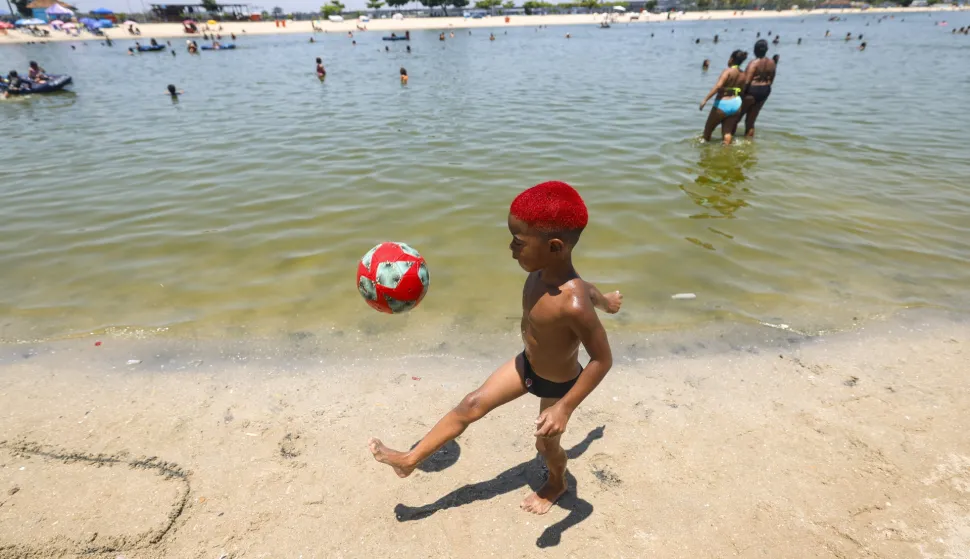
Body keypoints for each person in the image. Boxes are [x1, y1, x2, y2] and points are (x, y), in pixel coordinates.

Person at [369, 181, 621, 515]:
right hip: (527, 366)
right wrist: (609, 303)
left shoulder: (573, 304)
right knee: (471, 404)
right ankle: (409, 461)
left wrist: (564, 408)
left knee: (546, 446)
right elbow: (592, 292)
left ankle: (557, 483)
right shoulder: (542, 274)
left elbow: (602, 360)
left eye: (519, 242)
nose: (511, 248)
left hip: (558, 384)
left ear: (555, 247)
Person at [699, 49, 749, 145]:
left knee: (708, 130)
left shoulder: (728, 71)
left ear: (731, 59)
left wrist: (705, 100)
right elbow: (742, 91)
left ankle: (704, 154)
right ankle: (726, 153)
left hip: (723, 104)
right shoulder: (743, 74)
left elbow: (718, 86)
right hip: (736, 104)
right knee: (727, 133)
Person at [741, 39, 775, 139]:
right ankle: (748, 143)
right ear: (766, 50)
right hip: (765, 90)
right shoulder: (772, 63)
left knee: (736, 117)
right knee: (751, 121)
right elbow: (772, 79)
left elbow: (747, 81)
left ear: (755, 50)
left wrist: (741, 94)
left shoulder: (754, 63)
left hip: (752, 90)